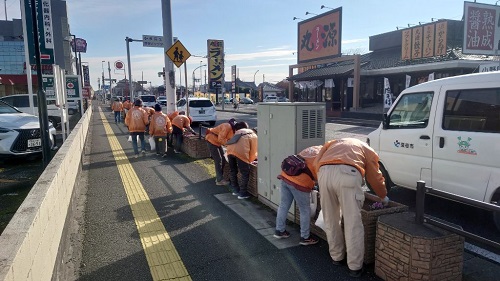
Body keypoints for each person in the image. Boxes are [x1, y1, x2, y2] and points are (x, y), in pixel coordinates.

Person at [313, 138, 388, 278]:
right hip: (348, 174)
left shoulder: (333, 142)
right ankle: (354, 267)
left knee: (331, 219)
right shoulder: (366, 149)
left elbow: (316, 161)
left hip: (323, 173)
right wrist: (383, 195)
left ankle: (337, 257)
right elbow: (375, 176)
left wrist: (322, 177)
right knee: (352, 223)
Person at [274, 145, 322, 246]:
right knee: (304, 209)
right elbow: (320, 176)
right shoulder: (322, 156)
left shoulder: (310, 149)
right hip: (300, 183)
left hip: (285, 176)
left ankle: (279, 231)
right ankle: (305, 237)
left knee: (283, 205)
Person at [225, 121, 258, 199]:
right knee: (245, 172)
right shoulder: (253, 135)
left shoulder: (238, 132)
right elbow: (254, 150)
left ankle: (235, 190)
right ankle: (242, 193)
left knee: (233, 171)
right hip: (240, 153)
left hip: (229, 151)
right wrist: (250, 160)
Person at [205, 118, 237, 186]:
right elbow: (221, 139)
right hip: (211, 140)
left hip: (217, 142)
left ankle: (219, 177)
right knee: (218, 160)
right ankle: (219, 180)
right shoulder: (227, 126)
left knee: (223, 158)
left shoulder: (233, 130)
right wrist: (228, 146)